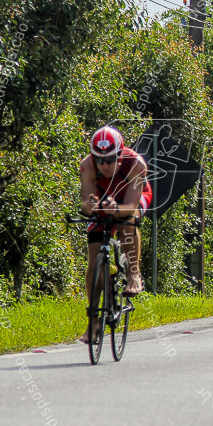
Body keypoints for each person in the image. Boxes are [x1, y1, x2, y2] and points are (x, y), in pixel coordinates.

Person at [79, 126, 151, 309]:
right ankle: (94, 314)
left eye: (110, 159)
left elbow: (130, 207)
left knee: (127, 219)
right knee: (93, 257)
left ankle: (134, 272)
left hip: (132, 198)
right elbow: (85, 205)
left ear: (120, 155)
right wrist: (90, 206)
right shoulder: (87, 166)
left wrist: (117, 210)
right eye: (100, 160)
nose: (104, 165)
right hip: (105, 199)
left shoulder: (136, 163)